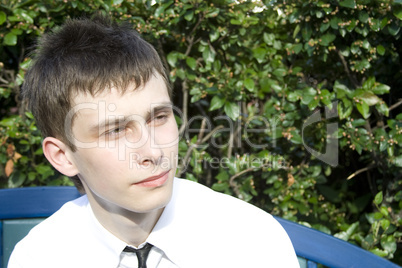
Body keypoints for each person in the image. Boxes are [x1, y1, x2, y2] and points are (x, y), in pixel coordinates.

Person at [8, 15, 299, 268]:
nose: (153, 151)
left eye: (159, 117)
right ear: (63, 156)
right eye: (115, 131)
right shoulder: (41, 258)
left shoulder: (249, 242)